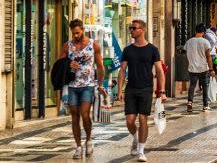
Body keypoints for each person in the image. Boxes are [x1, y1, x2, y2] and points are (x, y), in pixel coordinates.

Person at [117, 19, 165, 162]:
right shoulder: (128, 50)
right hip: (131, 88)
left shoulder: (152, 50)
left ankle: (141, 151)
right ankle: (136, 137)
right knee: (130, 120)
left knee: (143, 118)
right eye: (130, 28)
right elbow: (122, 70)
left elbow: (160, 71)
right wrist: (120, 89)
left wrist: (161, 91)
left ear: (142, 30)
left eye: (134, 28)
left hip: (146, 89)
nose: (131, 30)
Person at [60, 19, 107, 159]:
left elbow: (100, 66)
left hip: (88, 84)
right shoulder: (67, 45)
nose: (75, 36)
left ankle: (89, 140)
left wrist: (100, 85)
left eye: (78, 33)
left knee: (85, 113)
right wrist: (68, 64)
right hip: (72, 85)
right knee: (74, 114)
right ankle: (78, 146)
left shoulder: (94, 45)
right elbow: (59, 64)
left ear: (83, 29)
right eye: (73, 33)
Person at [184, 23, 215, 112]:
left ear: (195, 31)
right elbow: (208, 57)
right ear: (204, 32)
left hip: (192, 68)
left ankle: (190, 102)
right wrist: (211, 69)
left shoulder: (189, 41)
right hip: (203, 68)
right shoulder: (205, 42)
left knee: (192, 86)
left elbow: (186, 52)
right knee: (205, 86)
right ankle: (205, 105)